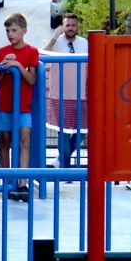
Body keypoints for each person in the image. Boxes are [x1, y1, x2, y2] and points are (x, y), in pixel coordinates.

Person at [0, 13, 41, 199]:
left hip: (24, 104)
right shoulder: (1, 52)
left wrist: (17, 66)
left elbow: (31, 79)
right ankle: (8, 180)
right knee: (4, 141)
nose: (10, 34)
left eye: (14, 30)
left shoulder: (32, 51)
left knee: (24, 140)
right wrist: (5, 68)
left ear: (24, 31)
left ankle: (22, 182)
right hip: (5, 103)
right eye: (7, 31)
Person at [44, 12, 88, 167]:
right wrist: (54, 37)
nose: (70, 28)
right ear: (63, 26)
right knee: (62, 132)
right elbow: (41, 55)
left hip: (80, 95)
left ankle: (62, 162)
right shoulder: (56, 43)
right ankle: (65, 166)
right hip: (59, 93)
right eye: (67, 25)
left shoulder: (85, 43)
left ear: (77, 26)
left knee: (82, 130)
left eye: (73, 25)